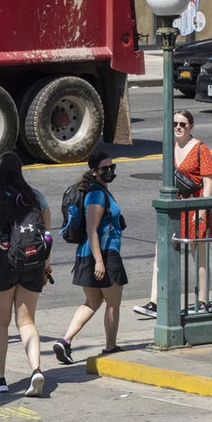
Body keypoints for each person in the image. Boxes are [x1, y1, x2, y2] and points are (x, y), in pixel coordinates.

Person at [0, 152, 50, 397]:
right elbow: (46, 235)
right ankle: (36, 369)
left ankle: (0, 379)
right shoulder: (36, 198)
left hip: (2, 266)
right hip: (32, 264)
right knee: (27, 322)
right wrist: (45, 265)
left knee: (0, 323)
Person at [134, 110, 212, 317]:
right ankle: (155, 302)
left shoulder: (201, 149)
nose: (178, 128)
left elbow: (208, 183)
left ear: (191, 126)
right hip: (175, 207)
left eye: (183, 124)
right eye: (175, 124)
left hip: (195, 208)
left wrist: (202, 209)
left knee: (198, 257)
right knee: (160, 253)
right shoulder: (170, 148)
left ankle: (202, 301)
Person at [53, 151, 127, 364]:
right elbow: (91, 229)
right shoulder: (96, 195)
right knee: (113, 303)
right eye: (104, 169)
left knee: (92, 301)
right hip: (103, 253)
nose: (110, 171)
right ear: (94, 172)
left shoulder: (98, 191)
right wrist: (101, 262)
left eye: (112, 167)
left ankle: (65, 341)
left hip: (88, 255)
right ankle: (110, 347)